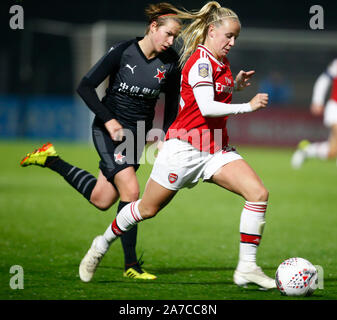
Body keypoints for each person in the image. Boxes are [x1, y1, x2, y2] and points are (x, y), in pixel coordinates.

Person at [79, 1, 276, 290]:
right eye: (229, 36)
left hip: (215, 149)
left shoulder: (220, 62)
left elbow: (206, 94)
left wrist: (234, 85)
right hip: (184, 150)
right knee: (145, 209)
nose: (232, 43)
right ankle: (101, 243)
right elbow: (206, 107)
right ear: (211, 31)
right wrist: (247, 105)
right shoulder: (200, 60)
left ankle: (247, 268)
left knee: (258, 193)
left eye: (236, 38)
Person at [20, 2, 182, 281]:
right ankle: (131, 265)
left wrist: (166, 134)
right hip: (109, 132)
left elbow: (170, 106)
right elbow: (85, 87)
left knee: (102, 198)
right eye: (168, 34)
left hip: (137, 137)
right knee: (131, 192)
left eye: (174, 37)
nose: (171, 41)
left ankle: (50, 159)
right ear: (153, 27)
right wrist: (108, 119)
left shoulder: (171, 62)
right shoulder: (122, 52)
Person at [291, 58, 337, 169]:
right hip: (335, 106)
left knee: (332, 152)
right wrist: (317, 101)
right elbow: (324, 79)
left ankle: (307, 150)